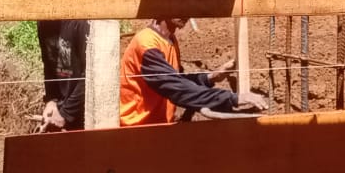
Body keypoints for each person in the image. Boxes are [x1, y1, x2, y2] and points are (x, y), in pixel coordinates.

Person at [119, 17, 256, 124]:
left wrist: (211, 77)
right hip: (135, 128)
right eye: (178, 4)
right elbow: (175, 88)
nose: (187, 14)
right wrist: (232, 98)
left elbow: (178, 79)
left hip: (158, 126)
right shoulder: (147, 44)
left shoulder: (170, 39)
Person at [38, 20, 89, 130]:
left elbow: (90, 74)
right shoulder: (43, 22)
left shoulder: (80, 22)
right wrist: (51, 101)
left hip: (85, 111)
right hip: (61, 107)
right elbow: (48, 64)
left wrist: (66, 112)